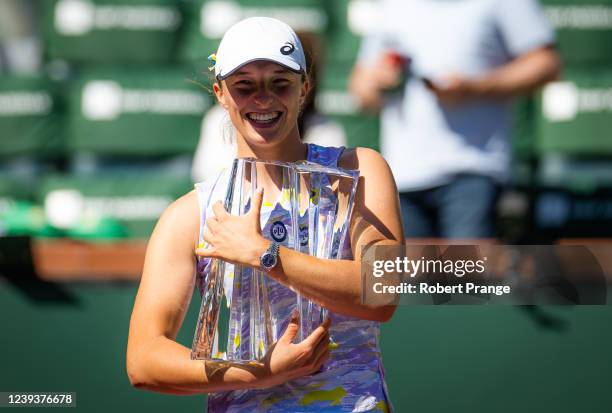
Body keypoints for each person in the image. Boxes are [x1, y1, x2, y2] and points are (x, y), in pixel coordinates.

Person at [127, 17, 403, 412]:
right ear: (220, 93)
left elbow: (383, 291)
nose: (263, 99)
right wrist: (260, 373)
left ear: (304, 88)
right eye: (245, 86)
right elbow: (142, 361)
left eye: (280, 83)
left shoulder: (358, 171)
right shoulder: (190, 215)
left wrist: (265, 254)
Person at [350, 0, 561, 239]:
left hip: (475, 170)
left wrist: (476, 88)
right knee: (403, 276)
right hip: (402, 178)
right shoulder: (391, 5)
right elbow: (361, 90)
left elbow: (546, 63)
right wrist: (379, 80)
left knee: (466, 275)